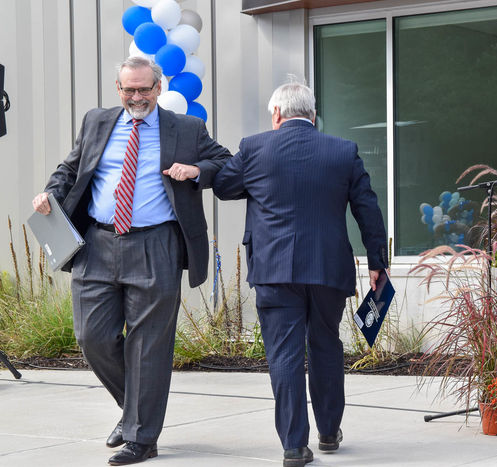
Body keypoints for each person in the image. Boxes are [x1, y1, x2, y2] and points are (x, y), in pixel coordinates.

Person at [31, 56, 230, 466]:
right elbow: (69, 170)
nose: (136, 97)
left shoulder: (186, 128)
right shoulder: (97, 121)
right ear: (118, 89)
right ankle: (135, 412)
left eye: (144, 89)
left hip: (156, 245)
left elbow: (225, 163)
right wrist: (48, 194)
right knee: (92, 336)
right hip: (97, 243)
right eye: (128, 90)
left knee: (149, 345)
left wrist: (195, 170)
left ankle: (142, 437)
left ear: (158, 88)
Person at [213, 81, 388, 467]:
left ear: (276, 114)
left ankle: (294, 445)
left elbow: (224, 186)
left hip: (274, 271)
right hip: (328, 269)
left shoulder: (255, 147)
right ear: (312, 114)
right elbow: (367, 208)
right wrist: (378, 261)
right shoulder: (343, 151)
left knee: (284, 354)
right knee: (325, 346)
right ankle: (328, 432)